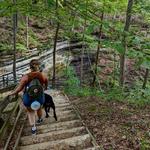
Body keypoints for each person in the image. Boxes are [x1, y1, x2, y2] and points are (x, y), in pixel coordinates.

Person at [9, 59, 48, 134]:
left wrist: (13, 93)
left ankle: (33, 128)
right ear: (38, 66)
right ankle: (40, 119)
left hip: (29, 98)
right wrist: (45, 88)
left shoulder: (26, 77)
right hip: (39, 97)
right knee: (39, 107)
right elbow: (46, 83)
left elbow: (19, 88)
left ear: (30, 67)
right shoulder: (42, 75)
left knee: (30, 112)